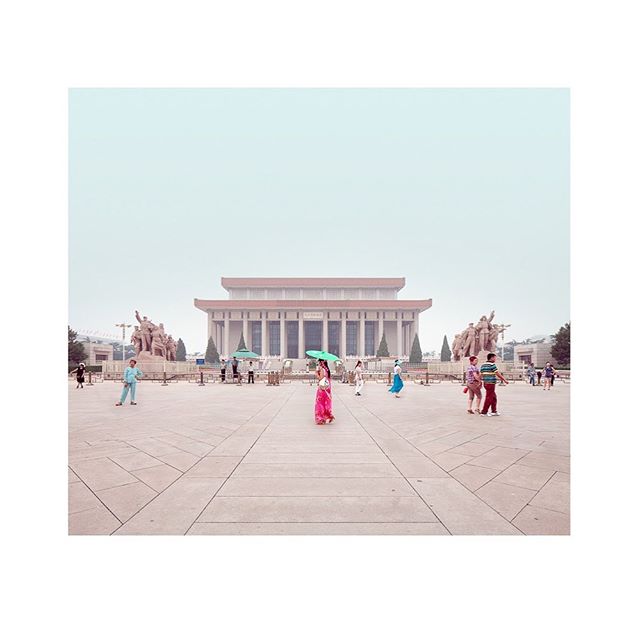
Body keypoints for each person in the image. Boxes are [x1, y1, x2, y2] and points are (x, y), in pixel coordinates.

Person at [314, 359, 334, 425]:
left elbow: (321, 378)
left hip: (322, 389)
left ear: (322, 362)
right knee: (326, 402)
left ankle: (320, 418)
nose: (319, 363)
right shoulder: (327, 369)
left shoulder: (322, 369)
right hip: (327, 388)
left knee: (320, 403)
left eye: (319, 362)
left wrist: (316, 373)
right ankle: (328, 416)